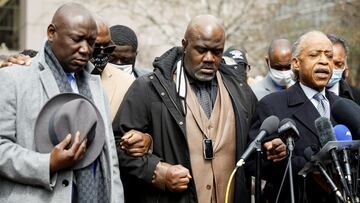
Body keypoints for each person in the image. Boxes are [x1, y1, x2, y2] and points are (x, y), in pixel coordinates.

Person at [113, 15, 258, 203]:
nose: (209, 58)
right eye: (201, 50)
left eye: (217, 52)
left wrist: (272, 147)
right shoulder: (149, 88)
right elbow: (116, 146)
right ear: (185, 44)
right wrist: (158, 172)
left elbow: (257, 143)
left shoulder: (240, 91)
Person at [0, 3, 123, 202]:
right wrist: (48, 163)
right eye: (77, 39)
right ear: (51, 32)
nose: (85, 49)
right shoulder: (12, 78)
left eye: (91, 42)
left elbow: (110, 156)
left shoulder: (95, 84)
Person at [248, 30, 340, 203]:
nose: (324, 61)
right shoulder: (272, 105)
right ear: (296, 63)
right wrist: (275, 156)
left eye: (329, 56)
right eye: (314, 55)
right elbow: (252, 163)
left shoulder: (343, 107)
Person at [326, 34, 360, 105]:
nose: (331, 69)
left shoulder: (357, 96)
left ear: (345, 67)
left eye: (338, 64)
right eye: (327, 62)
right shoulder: (301, 95)